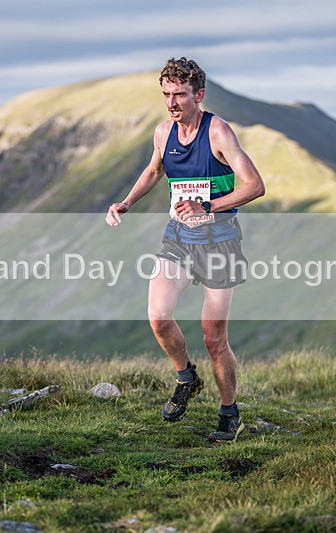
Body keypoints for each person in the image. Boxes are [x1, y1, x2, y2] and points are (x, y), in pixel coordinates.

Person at [106, 57, 265, 442]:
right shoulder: (163, 133)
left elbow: (255, 185)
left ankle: (229, 414)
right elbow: (154, 170)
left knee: (214, 339)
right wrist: (127, 201)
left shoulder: (218, 133)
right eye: (166, 95)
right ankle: (186, 378)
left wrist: (207, 206)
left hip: (219, 243)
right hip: (178, 239)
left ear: (199, 94)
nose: (172, 102)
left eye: (179, 94)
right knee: (158, 318)